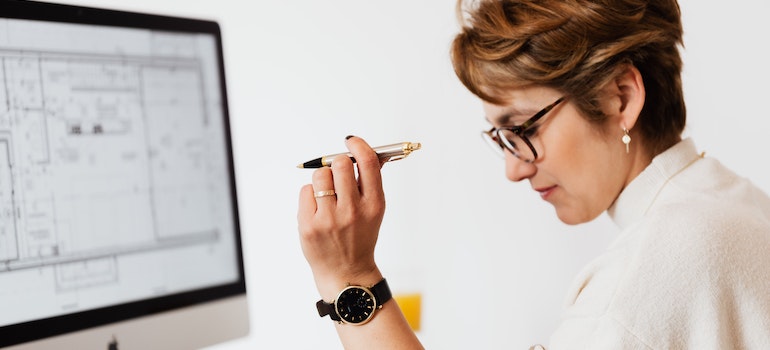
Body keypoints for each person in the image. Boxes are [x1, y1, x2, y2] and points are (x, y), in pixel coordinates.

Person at [297, 0, 770, 348]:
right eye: (499, 137)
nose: (513, 169)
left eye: (521, 128)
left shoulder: (637, 287)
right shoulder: (731, 201)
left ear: (619, 98)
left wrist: (349, 276)